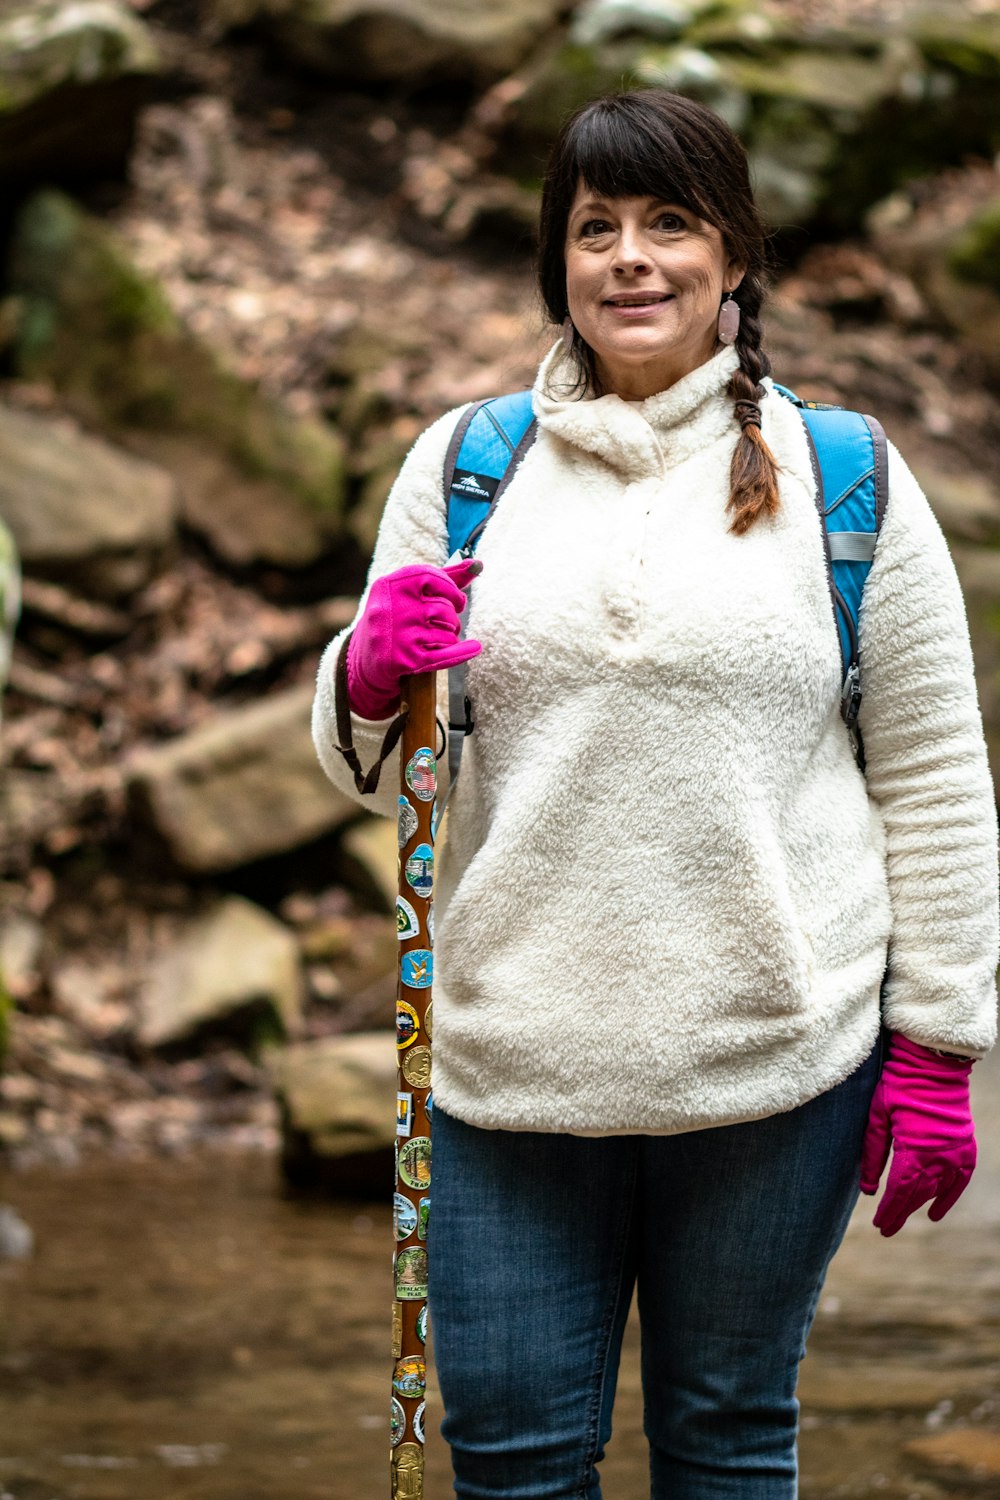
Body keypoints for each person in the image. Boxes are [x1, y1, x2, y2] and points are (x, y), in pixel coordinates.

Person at [312, 89, 998, 1500]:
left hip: (773, 1067)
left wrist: (937, 1049)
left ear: (734, 256)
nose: (631, 258)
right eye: (595, 228)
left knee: (730, 1444)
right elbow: (367, 755)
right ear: (557, 264)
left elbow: (932, 775)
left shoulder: (846, 477)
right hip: (506, 1069)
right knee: (512, 1465)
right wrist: (366, 671)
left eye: (670, 224)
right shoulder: (465, 471)